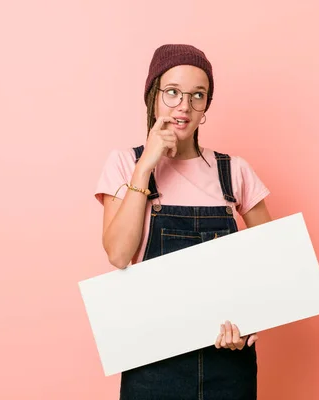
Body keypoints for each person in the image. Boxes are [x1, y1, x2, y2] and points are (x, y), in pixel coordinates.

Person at [94, 44, 273, 399]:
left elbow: (275, 260)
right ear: (153, 96)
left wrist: (255, 318)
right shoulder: (124, 164)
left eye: (197, 96)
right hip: (151, 364)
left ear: (206, 105)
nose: (184, 107)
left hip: (228, 361)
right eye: (173, 93)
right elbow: (118, 254)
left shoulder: (233, 171)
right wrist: (146, 166)